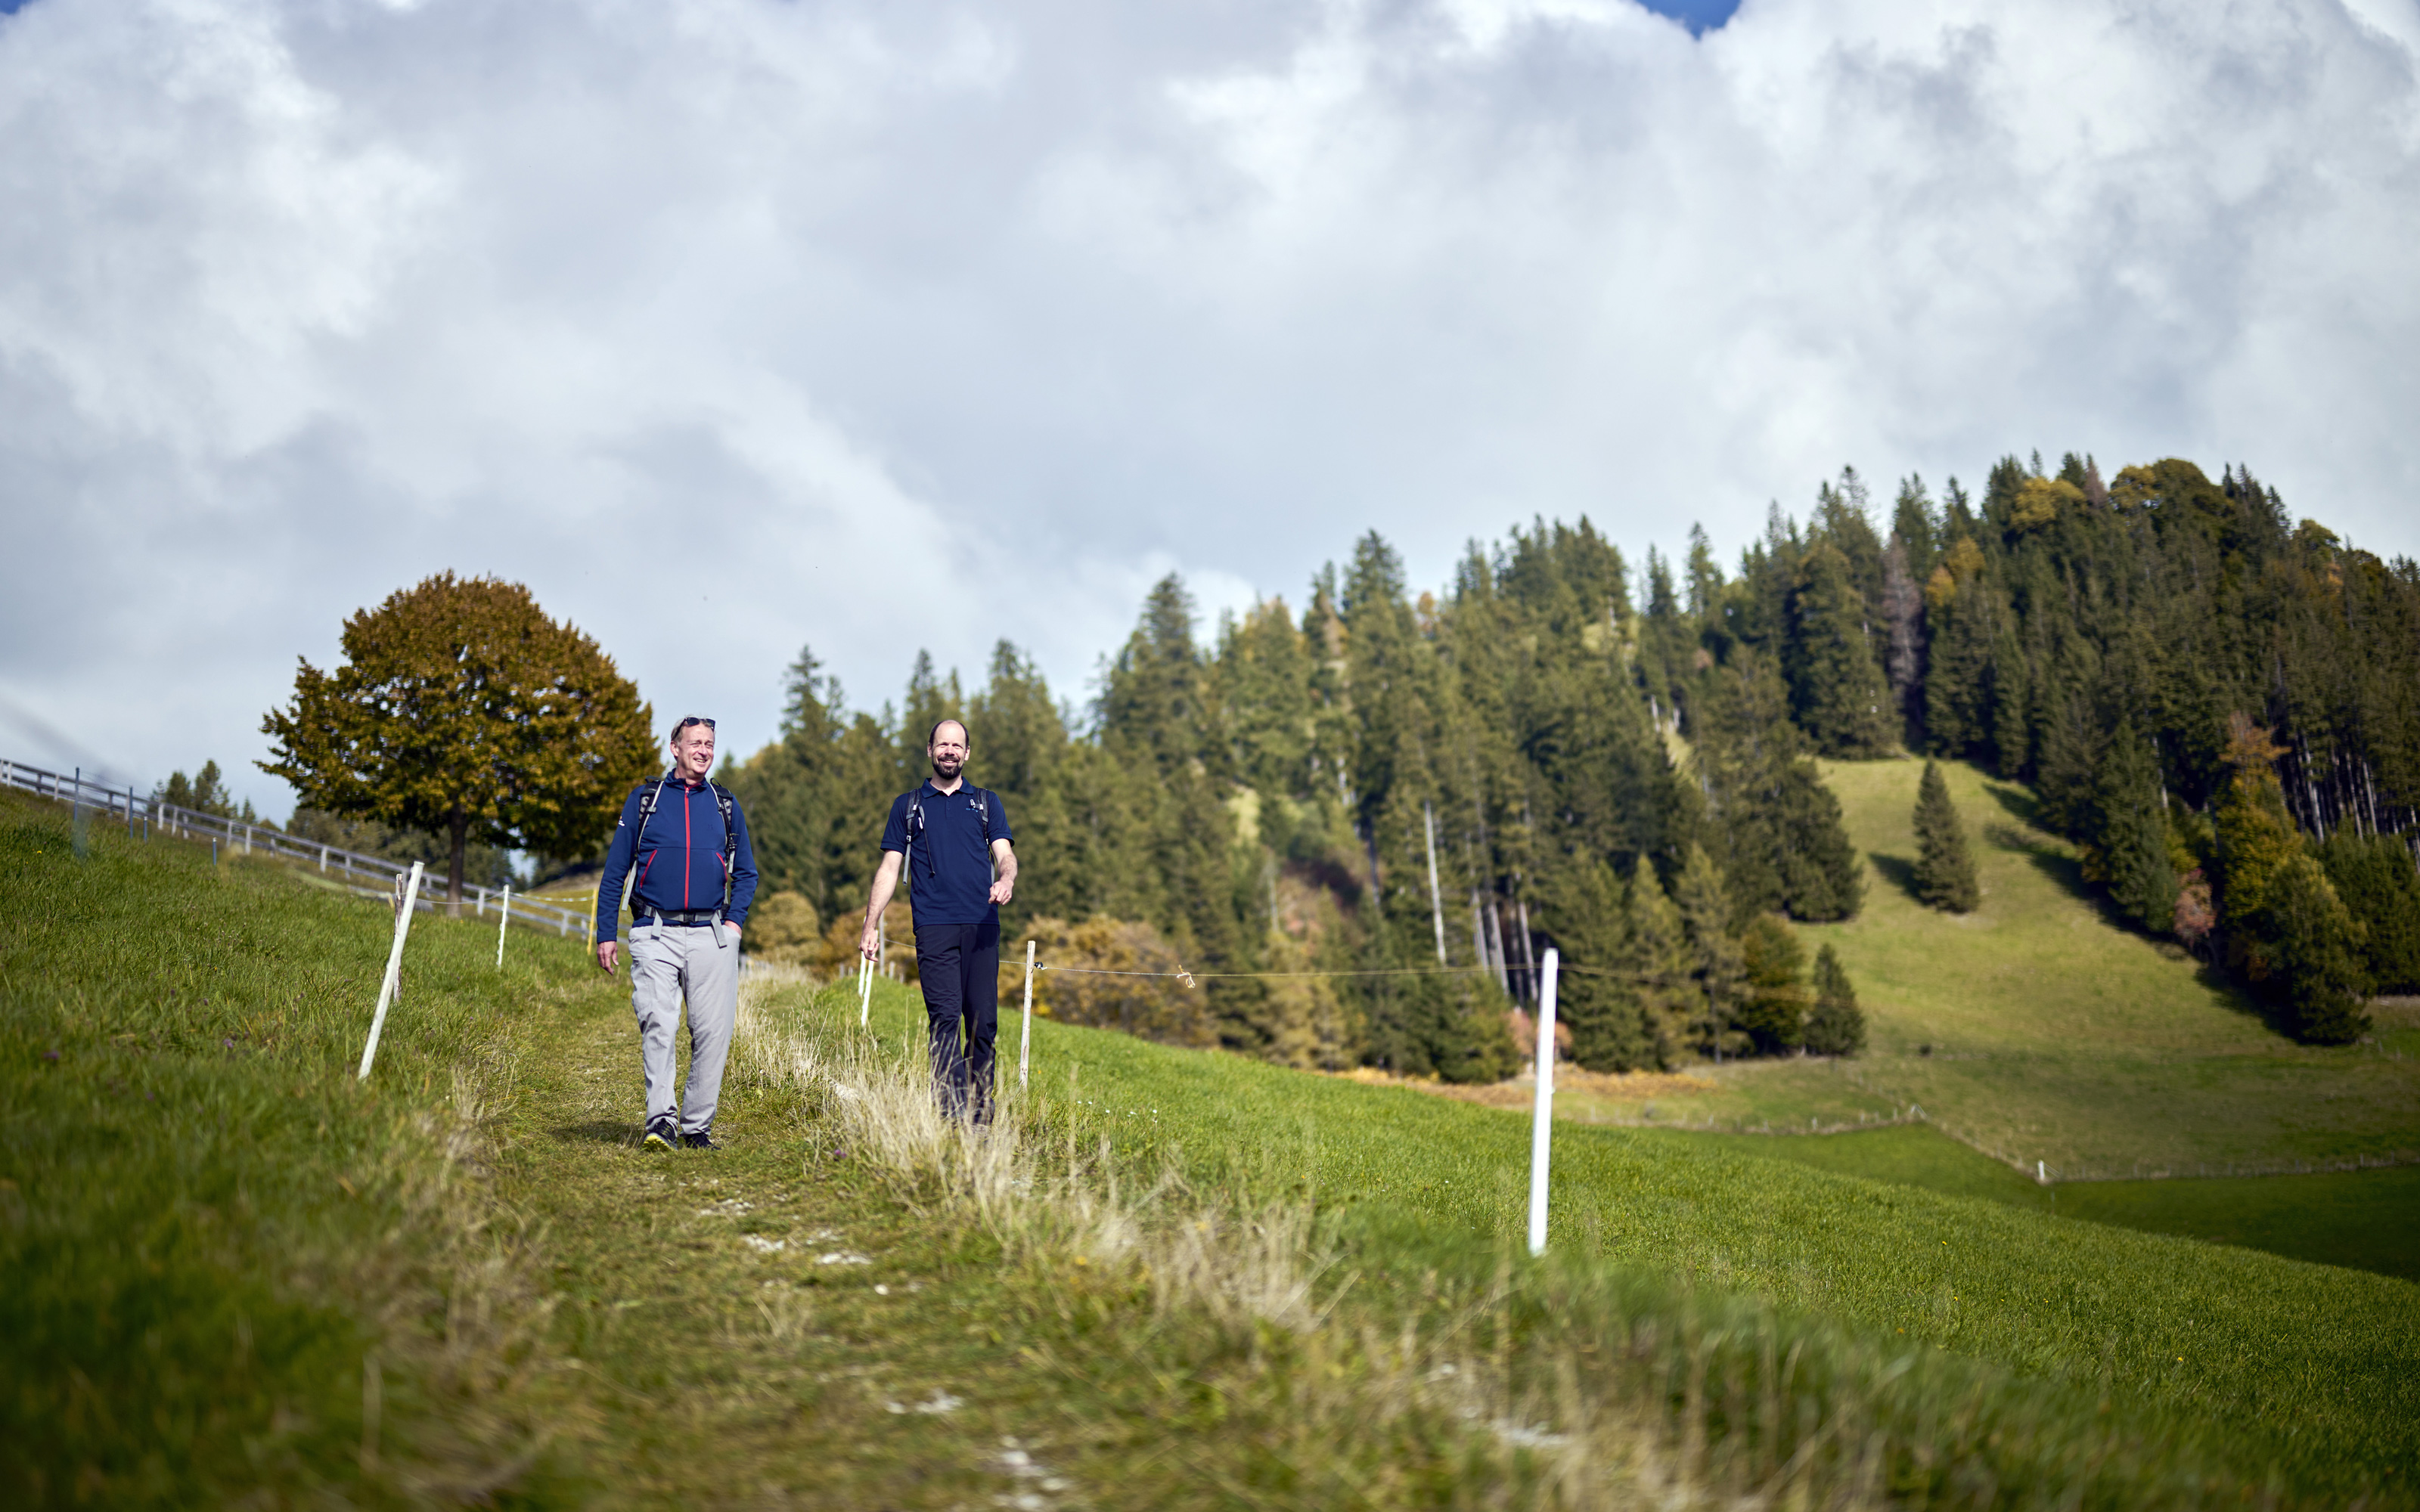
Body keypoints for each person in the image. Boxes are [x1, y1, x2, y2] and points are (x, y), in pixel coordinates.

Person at [594, 716, 759, 1151]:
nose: (704, 751)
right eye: (695, 743)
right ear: (675, 748)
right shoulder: (645, 801)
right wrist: (606, 932)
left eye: (710, 744)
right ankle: (661, 1121)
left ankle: (696, 1128)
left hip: (712, 934)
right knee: (659, 1024)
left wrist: (734, 924)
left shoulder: (725, 805)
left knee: (712, 1034)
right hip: (654, 931)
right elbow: (615, 872)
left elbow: (747, 872)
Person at [860, 719, 1016, 1121]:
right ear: (930, 750)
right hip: (933, 927)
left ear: (967, 754)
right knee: (945, 1019)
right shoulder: (908, 806)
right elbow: (889, 869)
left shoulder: (986, 803)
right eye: (942, 745)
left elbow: (1005, 854)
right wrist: (870, 925)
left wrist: (1007, 879)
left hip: (983, 926)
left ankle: (980, 1115)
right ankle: (950, 1116)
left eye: (956, 746)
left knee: (983, 1024)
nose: (949, 751)